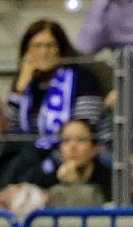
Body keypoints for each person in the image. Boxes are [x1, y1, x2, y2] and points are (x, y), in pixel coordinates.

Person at [7, 18, 105, 152]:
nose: (44, 52)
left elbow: (85, 132)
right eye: (37, 46)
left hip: (76, 156)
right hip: (31, 161)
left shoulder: (83, 80)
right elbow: (9, 133)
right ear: (26, 52)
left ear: (61, 49)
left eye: (50, 45)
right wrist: (18, 91)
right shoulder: (24, 85)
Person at [43, 116, 111, 207]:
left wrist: (75, 184)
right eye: (66, 140)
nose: (72, 147)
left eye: (81, 140)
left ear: (95, 148)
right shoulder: (49, 180)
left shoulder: (110, 180)